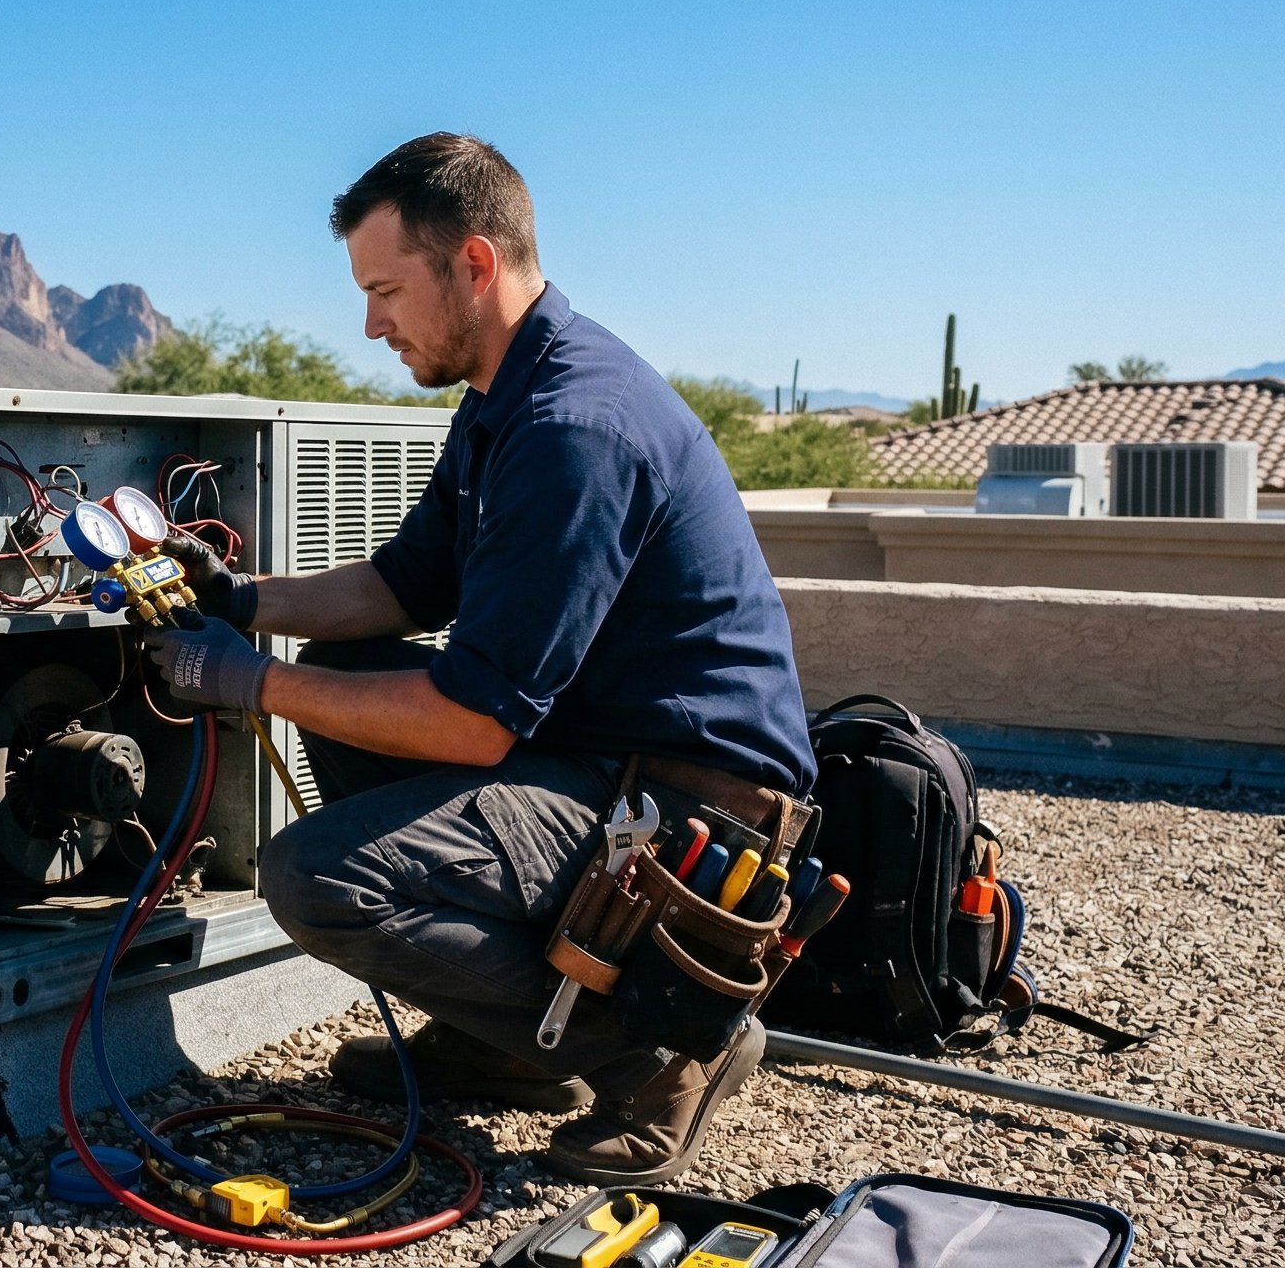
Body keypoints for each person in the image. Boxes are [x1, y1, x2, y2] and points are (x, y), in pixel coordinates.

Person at [144, 132, 815, 1186]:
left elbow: (472, 720)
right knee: (346, 666)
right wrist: (234, 599)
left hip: (691, 812)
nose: (369, 324)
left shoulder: (573, 427)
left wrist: (250, 683)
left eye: (383, 290)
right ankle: (502, 1038)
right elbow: (399, 588)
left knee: (316, 877)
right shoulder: (505, 396)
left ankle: (657, 1054)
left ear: (472, 264)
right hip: (600, 767)